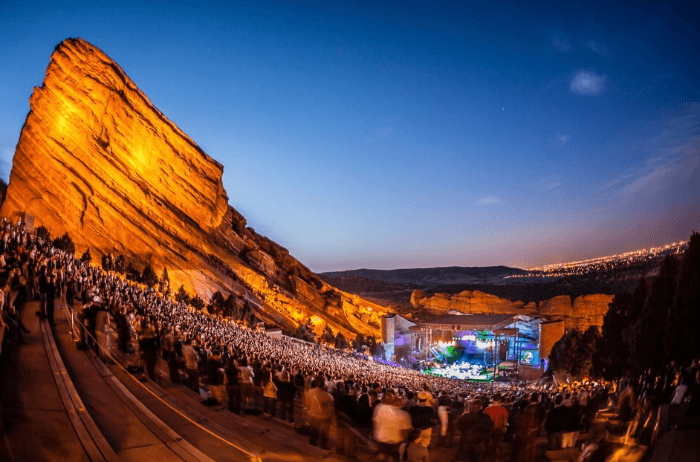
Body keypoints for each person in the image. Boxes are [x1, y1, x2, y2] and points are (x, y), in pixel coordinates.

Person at [373, 391, 412, 462]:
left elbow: (375, 422)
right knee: (393, 458)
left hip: (380, 440)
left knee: (381, 458)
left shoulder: (378, 408)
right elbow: (407, 431)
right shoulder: (403, 414)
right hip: (394, 443)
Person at [306, 376, 334, 449]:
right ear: (324, 385)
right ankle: (323, 445)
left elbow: (308, 403)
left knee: (314, 430)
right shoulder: (329, 396)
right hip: (325, 417)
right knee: (325, 432)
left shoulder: (310, 392)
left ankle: (313, 442)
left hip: (313, 414)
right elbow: (331, 409)